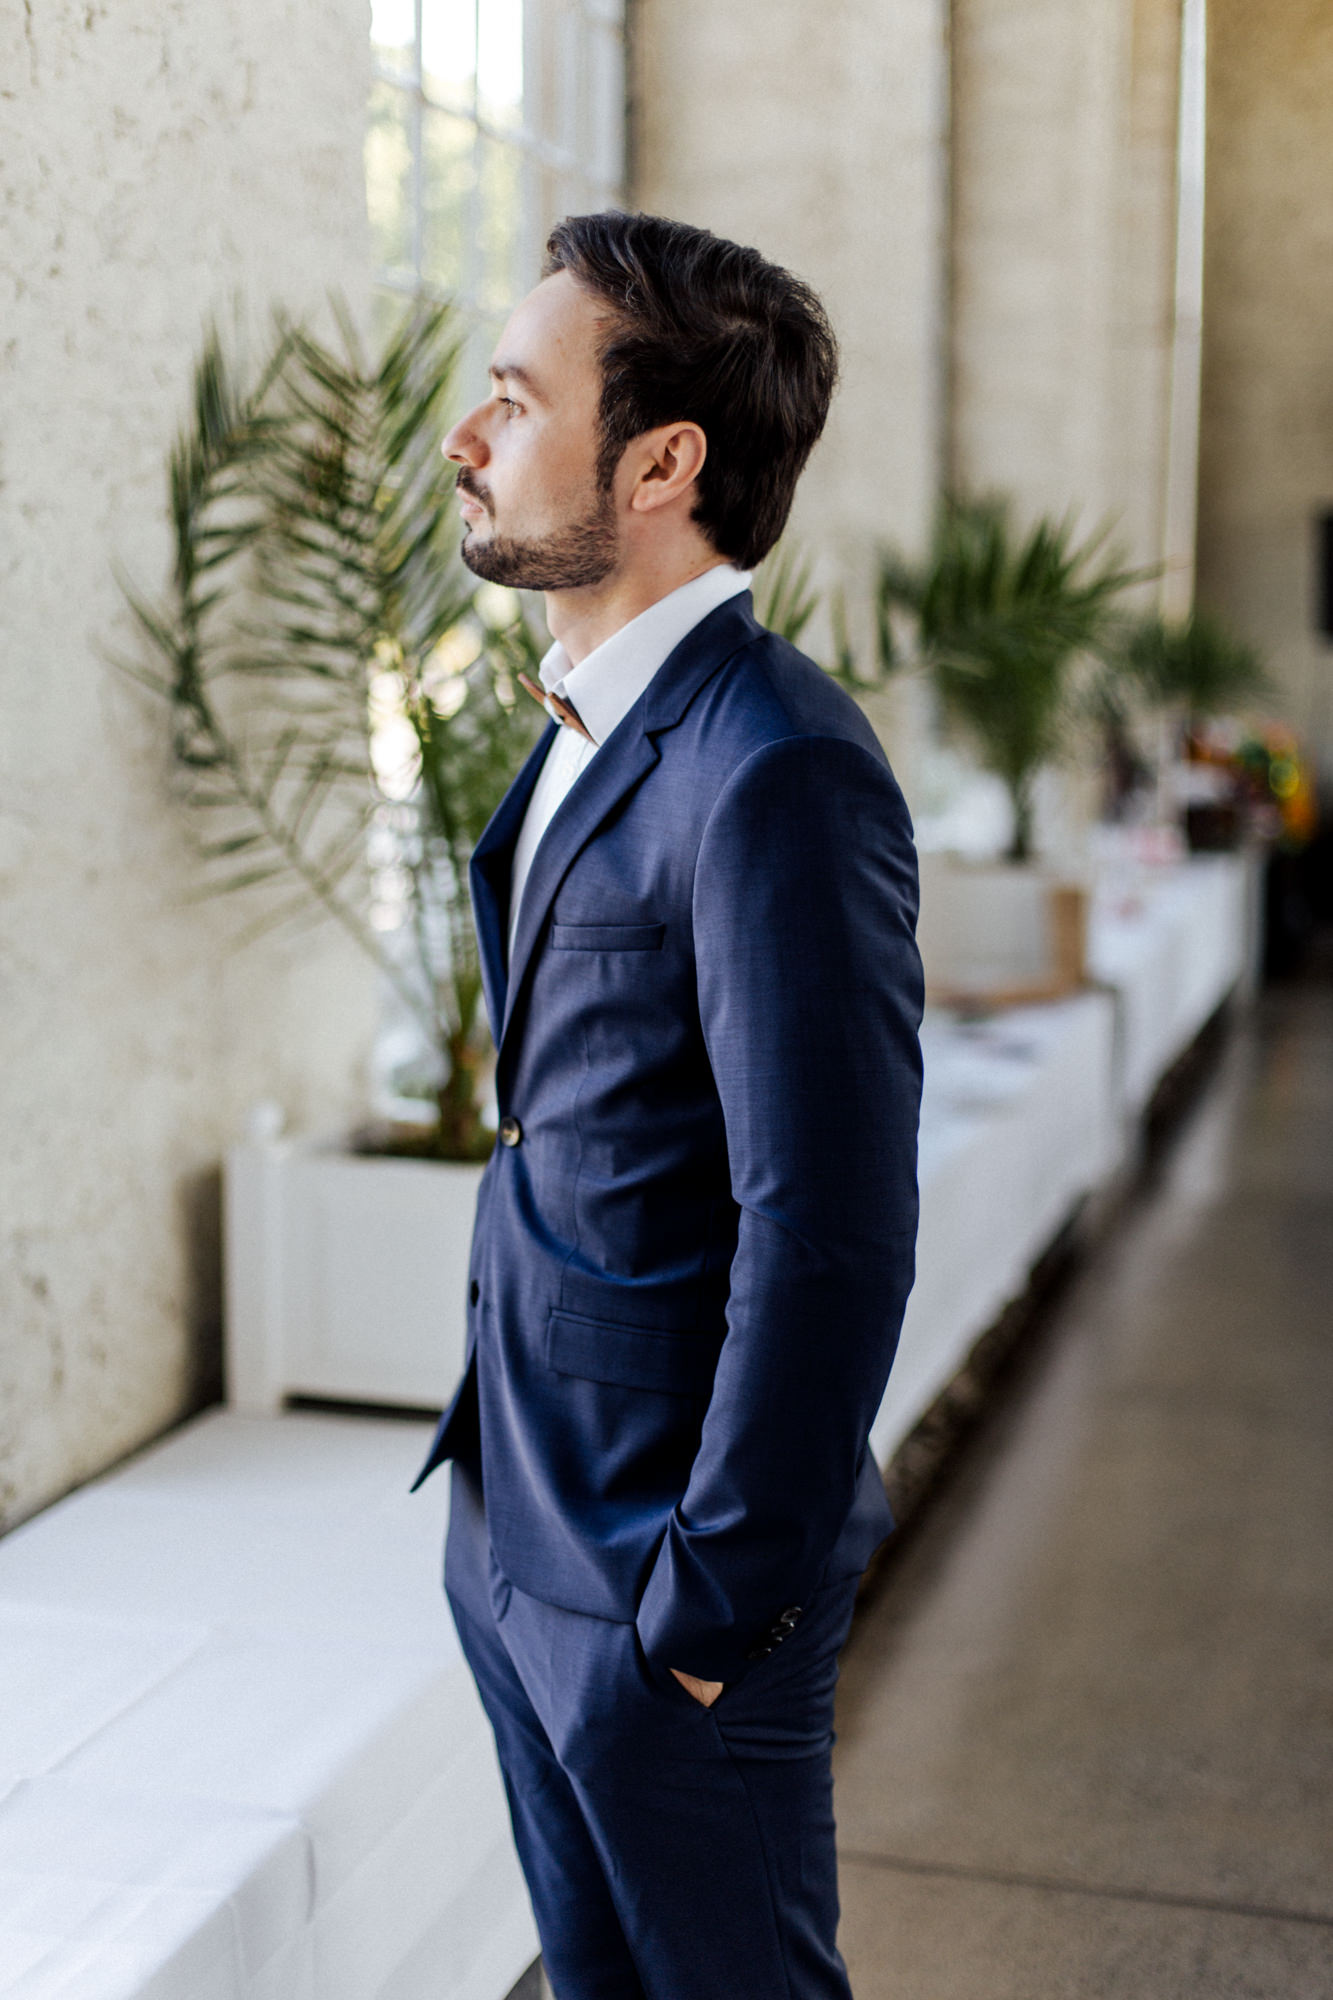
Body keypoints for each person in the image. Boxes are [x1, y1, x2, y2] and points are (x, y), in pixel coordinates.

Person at [411, 210, 924, 2000]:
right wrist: (495, 1534)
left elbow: (834, 1233)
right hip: (523, 1525)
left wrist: (705, 1618)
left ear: (661, 462)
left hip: (664, 1581)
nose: (465, 441)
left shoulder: (774, 765)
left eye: (509, 398)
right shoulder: (590, 718)